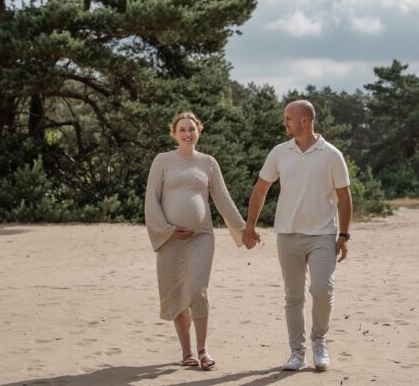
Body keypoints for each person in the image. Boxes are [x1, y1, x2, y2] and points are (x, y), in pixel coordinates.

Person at [242, 100, 352, 372]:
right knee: (293, 297)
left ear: (305, 120)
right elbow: (260, 190)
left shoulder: (331, 154)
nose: (285, 122)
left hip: (323, 236)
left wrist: (345, 234)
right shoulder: (280, 152)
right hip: (287, 235)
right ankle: (296, 352)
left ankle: (319, 342)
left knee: (322, 291)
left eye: (288, 117)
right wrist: (250, 225)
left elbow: (344, 196)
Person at [144, 111, 249, 371]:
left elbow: (222, 199)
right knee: (178, 293)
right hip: (170, 239)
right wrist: (167, 230)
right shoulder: (163, 161)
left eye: (192, 128)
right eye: (182, 129)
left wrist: (243, 229)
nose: (187, 133)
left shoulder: (208, 163)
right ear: (174, 133)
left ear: (199, 131)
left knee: (197, 290)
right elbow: (151, 200)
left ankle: (203, 350)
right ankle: (187, 351)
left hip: (201, 236)